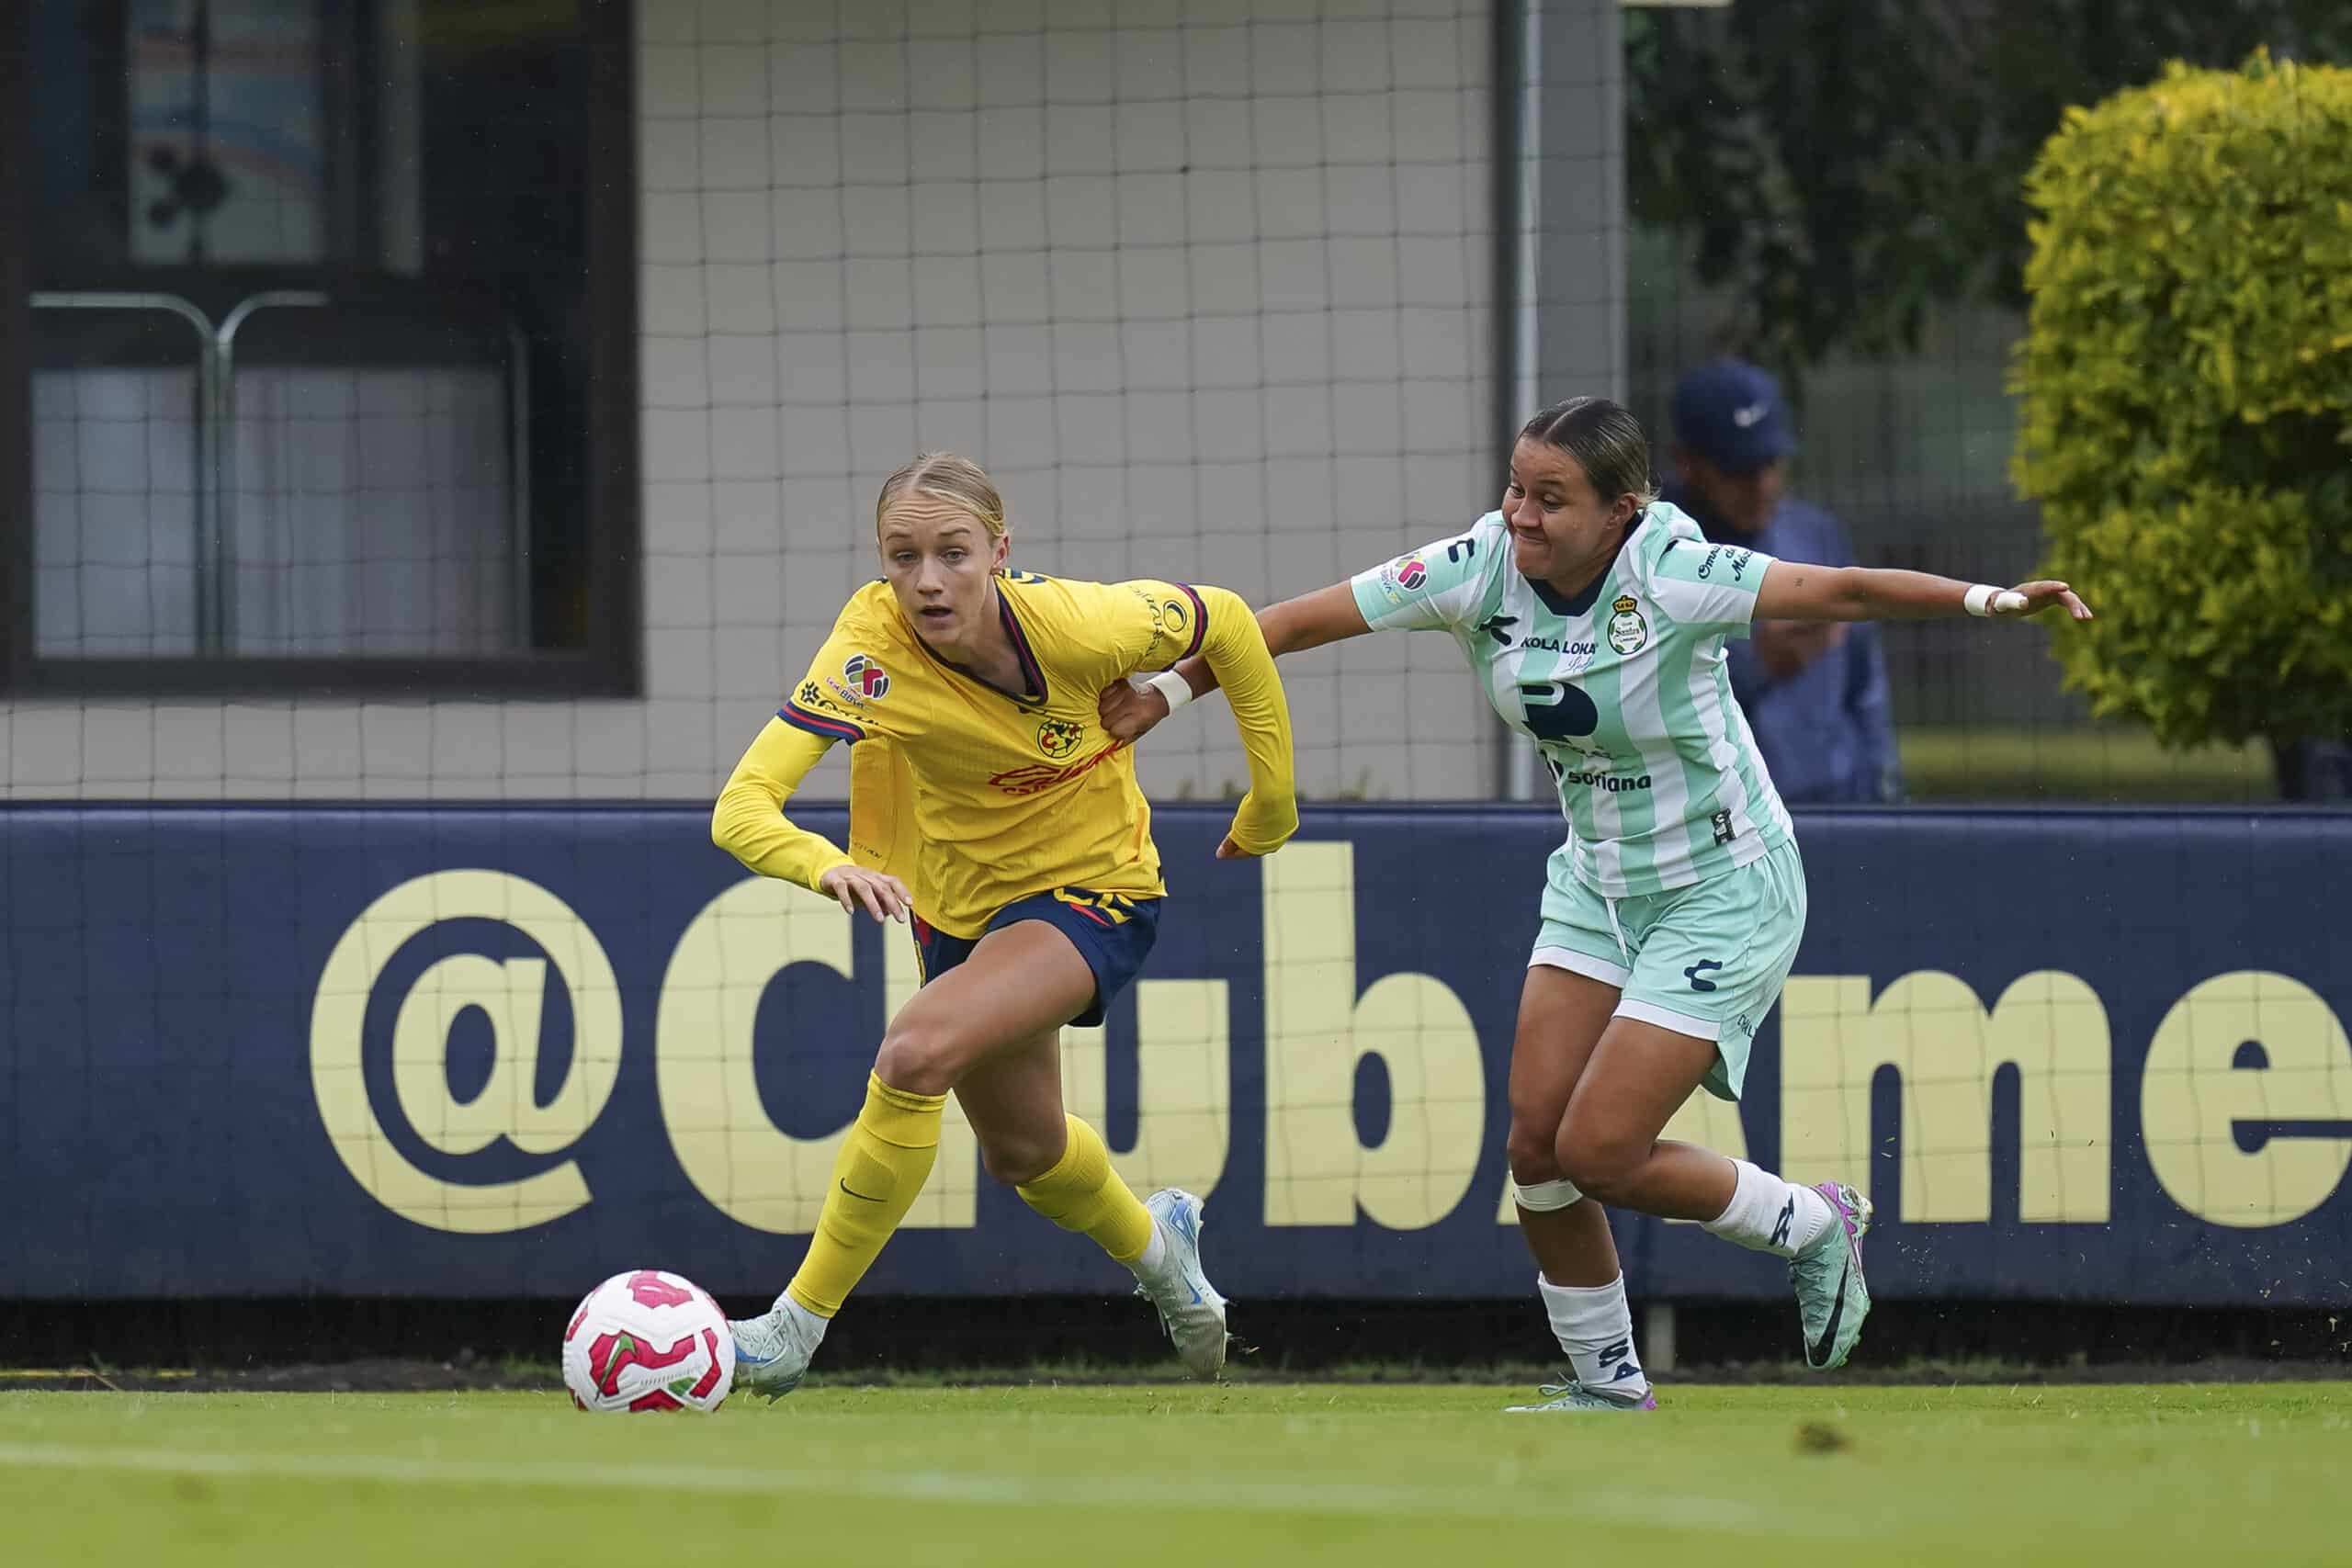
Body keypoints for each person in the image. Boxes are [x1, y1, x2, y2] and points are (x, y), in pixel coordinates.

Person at [1102, 398, 2089, 1409]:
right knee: (1537, 1146)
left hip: (1723, 885)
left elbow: (1838, 590)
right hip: (1596, 882)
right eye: (1516, 489)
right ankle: (1610, 1386)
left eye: (1551, 500)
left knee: (1599, 1151)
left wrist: (1987, 601)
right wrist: (1168, 693)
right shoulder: (1478, 565)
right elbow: (1290, 622)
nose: (1520, 517)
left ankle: (1812, 1224)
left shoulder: (1674, 572)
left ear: (1622, 509)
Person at [714, 452, 1299, 1396]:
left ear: (999, 552)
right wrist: (826, 865)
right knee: (1026, 1153)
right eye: (902, 556)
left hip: (1094, 889)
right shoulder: (868, 650)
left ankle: (792, 1332)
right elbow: (741, 808)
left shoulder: (1079, 623)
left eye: (953, 552)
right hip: (956, 906)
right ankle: (1163, 1253)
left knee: (911, 1054)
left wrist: (1269, 800)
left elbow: (1226, 620)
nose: (928, 579)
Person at [1668, 359, 1901, 803]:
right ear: (1687, 463)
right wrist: (1757, 666)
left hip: (1837, 803)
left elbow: (1866, 686)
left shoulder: (1817, 538)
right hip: (1721, 815)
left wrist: (1885, 793)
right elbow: (1640, 698)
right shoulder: (1655, 555)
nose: (1762, 486)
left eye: (1770, 464)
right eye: (1738, 471)